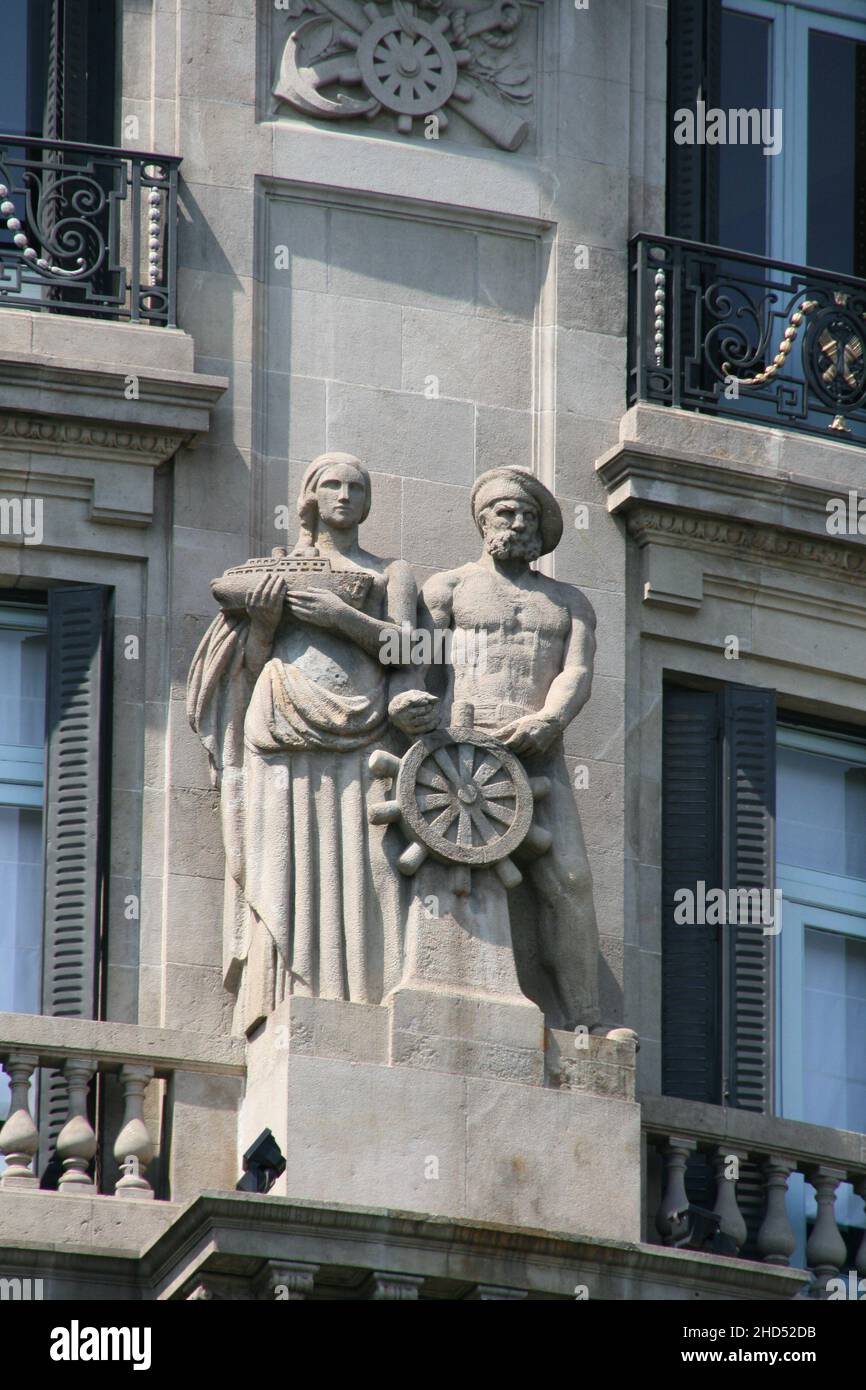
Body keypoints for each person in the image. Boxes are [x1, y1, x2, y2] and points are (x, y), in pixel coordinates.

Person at [188, 452, 420, 1034]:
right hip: (281, 722)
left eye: (356, 487)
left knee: (366, 861)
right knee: (281, 857)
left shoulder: (393, 573)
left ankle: (362, 998)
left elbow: (414, 653)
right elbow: (245, 663)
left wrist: (343, 619)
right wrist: (266, 621)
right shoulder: (278, 566)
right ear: (311, 497)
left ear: (369, 502)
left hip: (365, 732)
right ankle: (280, 995)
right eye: (332, 485)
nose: (344, 495)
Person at [392, 466, 601, 1030]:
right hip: (462, 746)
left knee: (572, 880)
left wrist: (550, 719)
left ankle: (585, 1021)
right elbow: (419, 666)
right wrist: (409, 705)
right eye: (505, 512)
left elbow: (576, 673)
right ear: (483, 521)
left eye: (527, 514)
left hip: (538, 747)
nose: (516, 522)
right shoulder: (449, 587)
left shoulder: (568, 601)